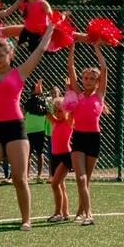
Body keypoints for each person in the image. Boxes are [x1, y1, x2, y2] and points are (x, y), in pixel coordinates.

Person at [0, 15, 54, 231]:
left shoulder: (20, 72)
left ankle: (26, 220)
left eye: (1, 55)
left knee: (20, 178)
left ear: (10, 54)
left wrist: (50, 28)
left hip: (15, 129)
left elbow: (38, 51)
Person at [67, 41, 108, 226]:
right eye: (86, 78)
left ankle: (79, 211)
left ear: (97, 81)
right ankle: (89, 215)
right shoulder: (77, 93)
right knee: (80, 177)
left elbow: (104, 68)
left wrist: (96, 46)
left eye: (92, 78)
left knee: (86, 179)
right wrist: (72, 47)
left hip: (94, 138)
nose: (88, 81)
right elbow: (70, 67)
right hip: (78, 138)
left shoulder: (99, 95)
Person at [46, 87, 74, 223]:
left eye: (60, 111)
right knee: (61, 185)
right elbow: (44, 111)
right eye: (56, 111)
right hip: (55, 156)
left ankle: (57, 213)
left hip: (66, 156)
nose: (57, 114)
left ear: (66, 111)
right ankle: (65, 213)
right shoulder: (54, 122)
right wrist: (38, 94)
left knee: (55, 184)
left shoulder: (68, 122)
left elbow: (72, 110)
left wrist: (69, 90)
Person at [24, 79, 48, 184]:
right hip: (28, 131)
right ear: (31, 91)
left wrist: (40, 92)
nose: (36, 90)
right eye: (34, 89)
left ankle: (39, 175)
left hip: (40, 131)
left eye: (38, 88)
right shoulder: (28, 102)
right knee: (27, 154)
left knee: (40, 153)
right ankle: (26, 175)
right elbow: (23, 113)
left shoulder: (43, 101)